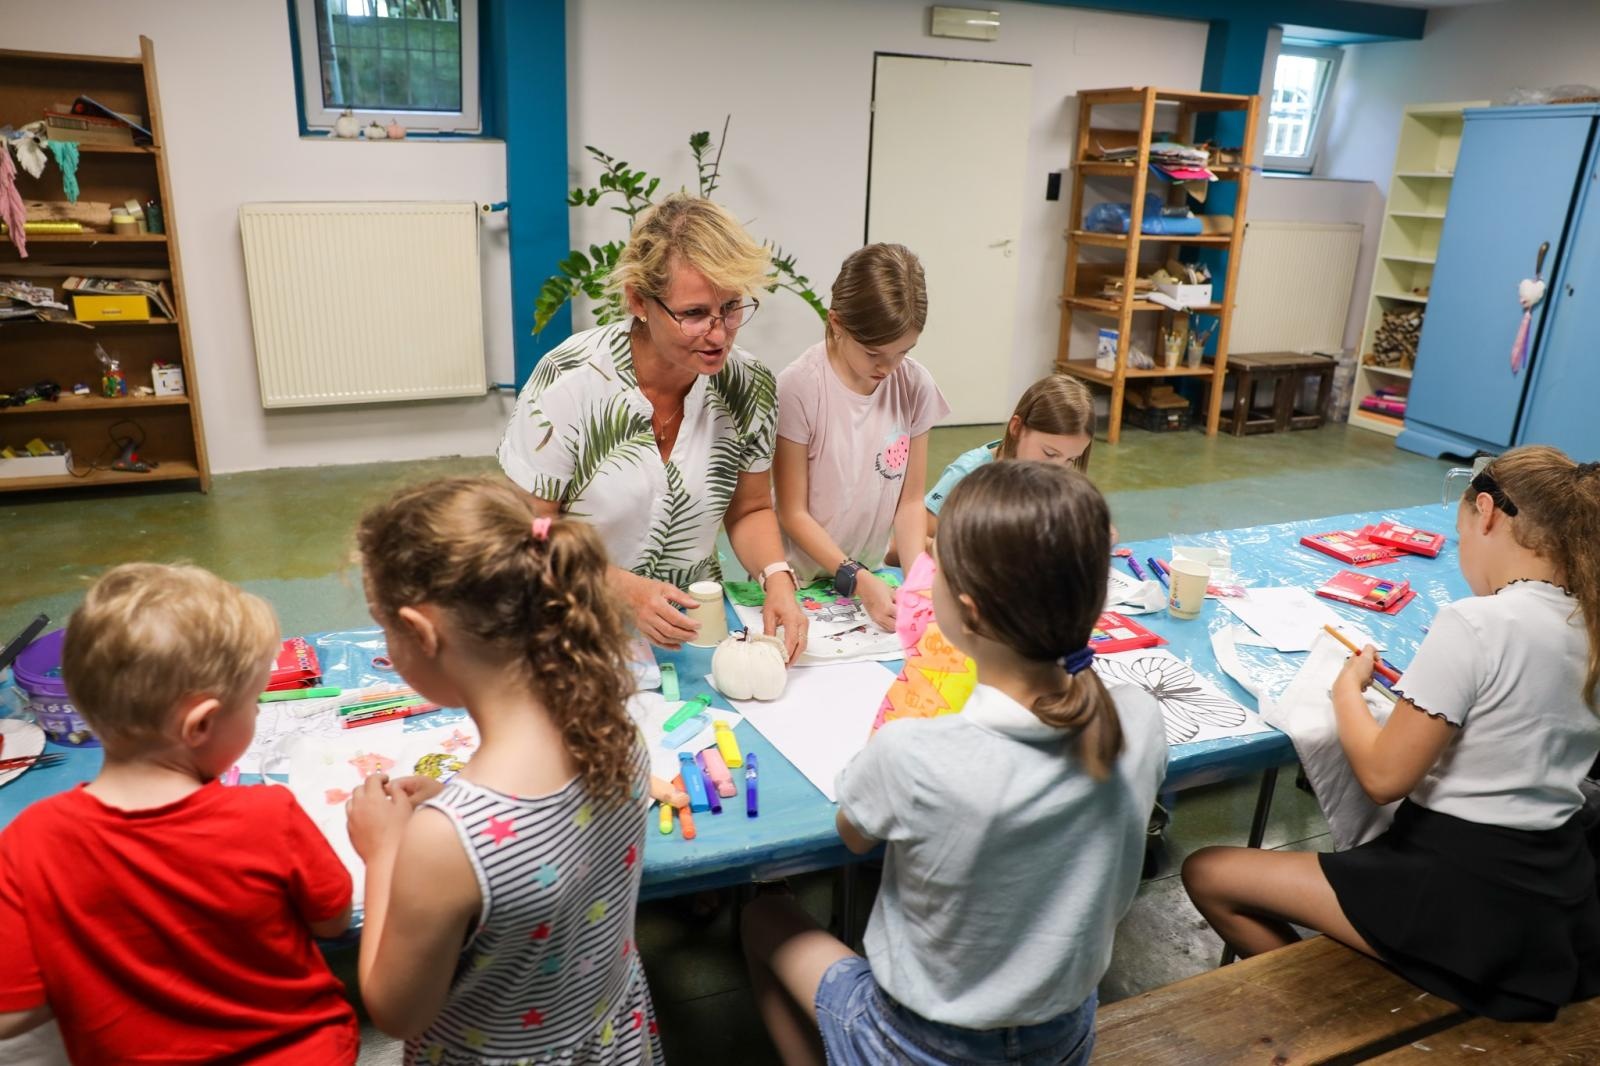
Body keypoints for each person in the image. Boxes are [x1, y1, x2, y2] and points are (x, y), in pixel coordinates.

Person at [742, 461, 1168, 1064]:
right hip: (1064, 1034)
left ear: (964, 612)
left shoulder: (913, 751)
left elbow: (852, 835)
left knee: (763, 918)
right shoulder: (1139, 720)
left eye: (935, 561)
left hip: (917, 1044)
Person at [1184, 446, 1600, 1022]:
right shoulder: (1590, 619)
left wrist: (1344, 691)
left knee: (1207, 871)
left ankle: (1327, 1017)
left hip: (1458, 890)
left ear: (1486, 514)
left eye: (1460, 542)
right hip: (1555, 892)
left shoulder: (1478, 622)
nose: (1463, 561)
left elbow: (1383, 777)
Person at [348, 477, 660, 1065]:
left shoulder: (444, 843)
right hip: (606, 1039)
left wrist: (386, 850)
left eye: (385, 628)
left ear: (420, 631)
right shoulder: (615, 731)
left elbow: (396, 1010)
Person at [0, 564, 358, 1063]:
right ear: (201, 724)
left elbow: (13, 1013)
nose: (257, 715)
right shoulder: (267, 815)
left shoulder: (28, 841)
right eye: (255, 702)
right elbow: (333, 923)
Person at [498, 194, 806, 660]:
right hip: (574, 624)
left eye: (732, 307)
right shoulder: (570, 382)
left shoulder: (749, 386)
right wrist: (619, 588)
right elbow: (527, 533)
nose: (720, 333)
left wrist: (776, 576)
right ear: (639, 300)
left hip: (693, 629)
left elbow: (749, 510)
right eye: (695, 314)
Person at [773, 244, 948, 631]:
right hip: (800, 582)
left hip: (871, 578)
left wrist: (917, 575)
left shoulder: (914, 384)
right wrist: (854, 575)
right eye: (874, 353)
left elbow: (911, 500)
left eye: (903, 352)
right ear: (836, 323)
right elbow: (792, 512)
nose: (889, 367)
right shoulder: (800, 387)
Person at [924, 373, 1095, 538]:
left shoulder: (1056, 476)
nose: (1058, 469)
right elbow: (908, 545)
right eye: (1049, 453)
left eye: (1071, 459)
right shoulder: (968, 474)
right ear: (1017, 428)